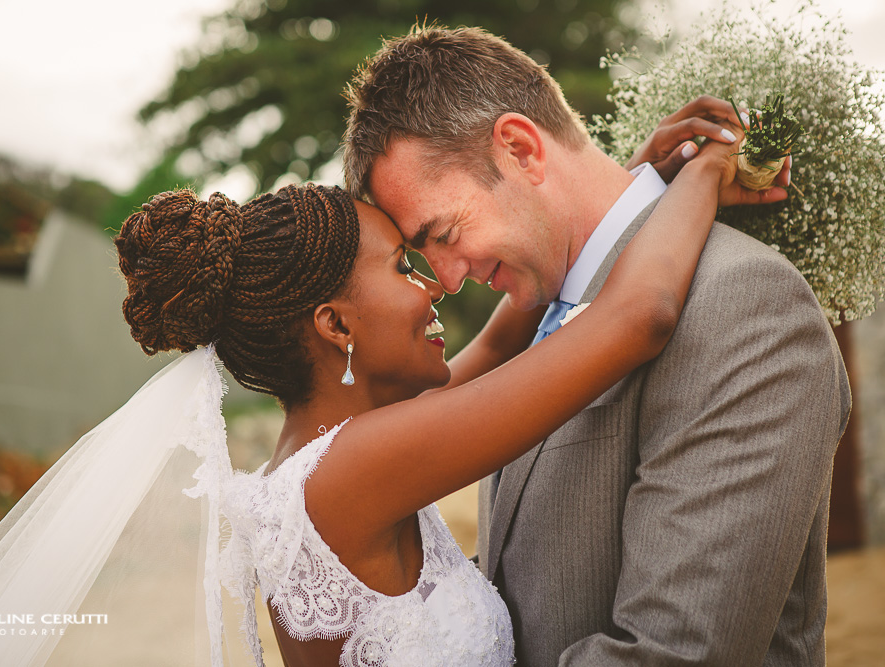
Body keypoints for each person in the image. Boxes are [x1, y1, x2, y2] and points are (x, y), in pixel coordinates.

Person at [342, 25, 852, 666]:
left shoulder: (744, 305)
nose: (445, 279)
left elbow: (676, 654)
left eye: (444, 232)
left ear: (522, 150)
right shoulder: (543, 316)